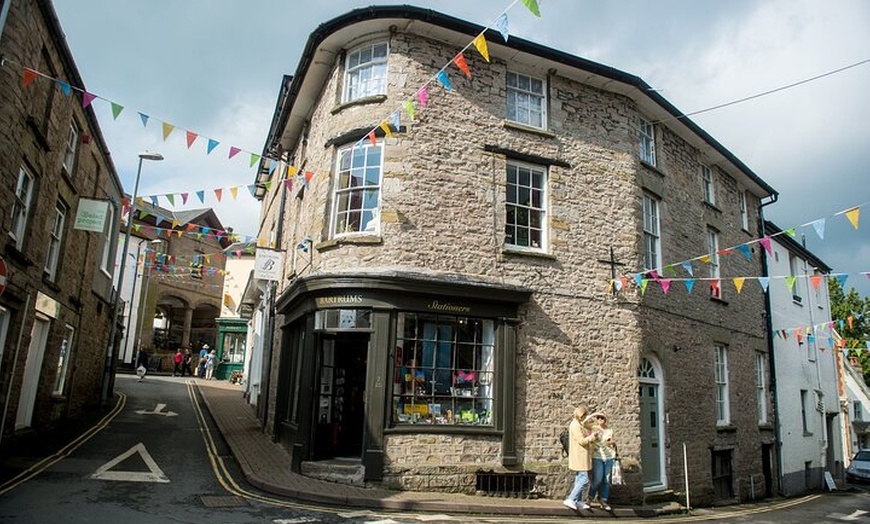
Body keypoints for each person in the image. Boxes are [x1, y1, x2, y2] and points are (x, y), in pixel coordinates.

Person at [563, 405, 598, 511]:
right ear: (581, 415)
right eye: (585, 415)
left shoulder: (580, 423)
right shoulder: (575, 425)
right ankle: (571, 499)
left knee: (579, 478)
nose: (586, 417)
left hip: (582, 455)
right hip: (579, 455)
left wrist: (593, 420)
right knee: (584, 479)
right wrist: (592, 437)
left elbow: (590, 426)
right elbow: (581, 441)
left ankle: (578, 501)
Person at [586, 411, 617, 511]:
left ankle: (603, 500)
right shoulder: (594, 428)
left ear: (605, 420)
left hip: (609, 456)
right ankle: (590, 498)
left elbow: (613, 441)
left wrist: (611, 442)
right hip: (597, 456)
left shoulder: (609, 430)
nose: (600, 420)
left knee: (606, 480)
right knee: (597, 479)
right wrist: (594, 414)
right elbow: (584, 423)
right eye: (598, 418)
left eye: (602, 418)